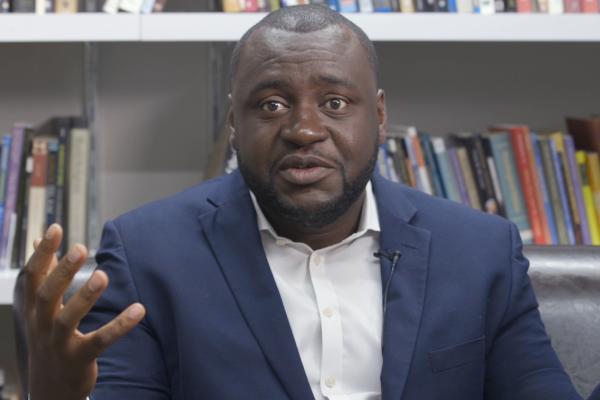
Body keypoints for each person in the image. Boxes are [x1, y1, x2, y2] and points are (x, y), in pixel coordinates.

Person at [21, 5, 599, 400]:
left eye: (335, 103)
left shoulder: (479, 251)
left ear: (379, 115)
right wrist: (52, 394)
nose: (303, 130)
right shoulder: (149, 254)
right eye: (271, 105)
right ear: (233, 122)